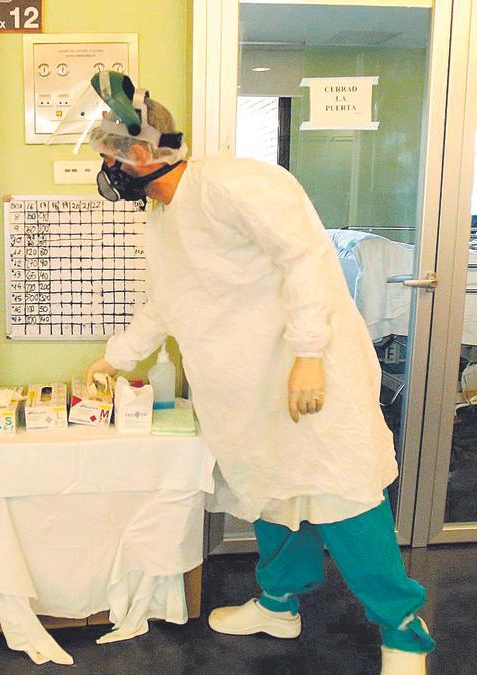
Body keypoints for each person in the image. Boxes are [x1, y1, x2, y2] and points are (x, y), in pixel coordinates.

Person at [77, 72, 434, 675]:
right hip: (244, 386)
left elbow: (307, 259)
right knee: (269, 492)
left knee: (341, 491)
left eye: (110, 157)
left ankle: (402, 629)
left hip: (307, 375)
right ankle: (278, 604)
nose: (107, 170)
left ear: (140, 153)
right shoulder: (162, 220)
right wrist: (116, 356)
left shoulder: (237, 184)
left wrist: (309, 354)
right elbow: (167, 302)